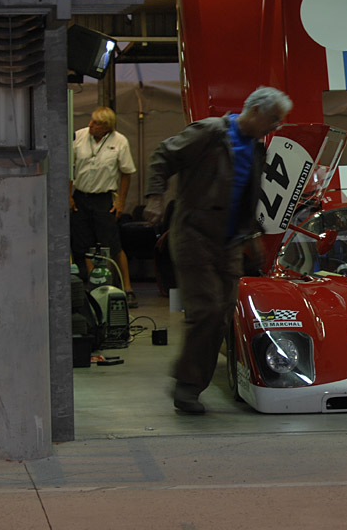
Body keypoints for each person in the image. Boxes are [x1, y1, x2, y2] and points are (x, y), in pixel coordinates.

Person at [143, 86, 293, 415]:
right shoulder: (209, 132)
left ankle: (194, 383)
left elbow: (245, 194)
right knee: (206, 310)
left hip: (230, 242)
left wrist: (252, 233)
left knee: (224, 313)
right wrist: (155, 197)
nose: (275, 127)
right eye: (273, 119)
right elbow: (163, 155)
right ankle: (187, 386)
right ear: (255, 111)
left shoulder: (256, 149)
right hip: (194, 235)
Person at [71, 106, 138, 306]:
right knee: (84, 245)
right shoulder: (79, 137)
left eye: (96, 123)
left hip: (104, 199)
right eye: (91, 121)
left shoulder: (119, 141)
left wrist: (121, 202)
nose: (90, 125)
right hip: (81, 197)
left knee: (113, 244)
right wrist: (69, 196)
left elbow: (127, 172)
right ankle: (95, 287)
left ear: (107, 127)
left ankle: (127, 288)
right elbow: (68, 167)